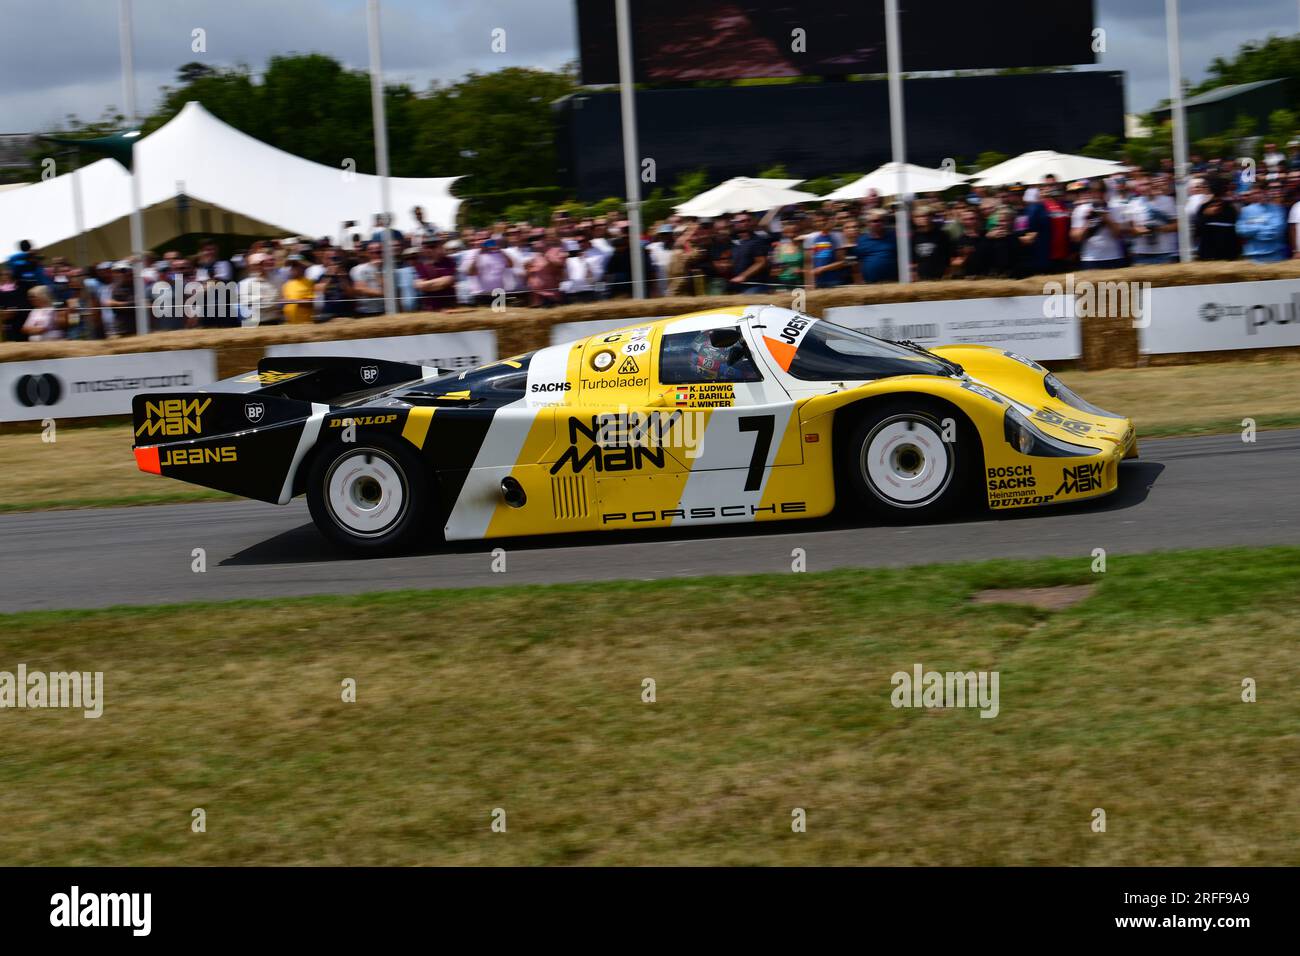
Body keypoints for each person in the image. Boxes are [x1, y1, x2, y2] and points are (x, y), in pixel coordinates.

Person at [1070, 180, 1126, 270]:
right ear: (1090, 192)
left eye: (1101, 191)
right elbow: (1076, 238)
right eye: (1094, 191)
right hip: (1090, 259)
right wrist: (1088, 222)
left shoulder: (1115, 209)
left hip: (1114, 257)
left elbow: (1119, 234)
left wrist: (1105, 216)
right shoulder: (1080, 210)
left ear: (1106, 192)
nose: (1098, 194)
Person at [1236, 184, 1288, 263]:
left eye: (1260, 192)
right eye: (1255, 193)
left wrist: (1252, 229)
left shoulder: (1277, 209)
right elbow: (1241, 230)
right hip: (1252, 257)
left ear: (1266, 192)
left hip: (1274, 255)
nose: (1258, 195)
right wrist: (1261, 228)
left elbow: (1275, 231)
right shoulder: (1246, 210)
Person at [1195, 177, 1240, 261]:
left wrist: (1205, 215)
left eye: (1206, 187)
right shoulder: (1231, 207)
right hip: (1226, 252)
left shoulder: (1204, 207)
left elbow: (1198, 230)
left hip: (1212, 253)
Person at [728, 212, 771, 293]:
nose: (746, 223)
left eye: (748, 220)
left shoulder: (757, 241)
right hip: (738, 286)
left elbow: (761, 262)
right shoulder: (733, 241)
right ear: (734, 223)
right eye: (742, 221)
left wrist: (743, 276)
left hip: (755, 285)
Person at [856, 210, 898, 283]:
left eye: (881, 220)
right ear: (867, 223)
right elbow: (859, 261)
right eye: (874, 221)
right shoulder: (861, 240)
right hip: (870, 283)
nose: (878, 223)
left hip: (892, 282)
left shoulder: (894, 236)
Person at [280, 257, 316, 324]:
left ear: (303, 268)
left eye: (296, 266)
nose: (292, 269)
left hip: (304, 324)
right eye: (292, 266)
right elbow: (284, 301)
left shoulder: (309, 283)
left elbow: (311, 302)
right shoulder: (287, 284)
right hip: (289, 324)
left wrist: (293, 301)